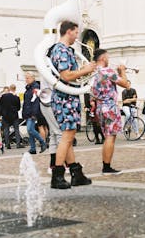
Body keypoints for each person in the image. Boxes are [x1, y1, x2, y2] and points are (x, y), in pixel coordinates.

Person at [49, 21, 96, 189]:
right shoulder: (61, 50)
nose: (77, 36)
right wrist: (86, 70)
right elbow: (66, 76)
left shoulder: (64, 50)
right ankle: (57, 175)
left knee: (68, 137)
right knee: (67, 136)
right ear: (68, 32)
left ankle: (76, 174)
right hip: (65, 98)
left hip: (67, 97)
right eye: (76, 33)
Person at [92, 48, 128, 174]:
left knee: (107, 136)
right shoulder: (107, 71)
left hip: (100, 106)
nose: (108, 60)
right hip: (110, 107)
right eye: (107, 57)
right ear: (103, 58)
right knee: (110, 137)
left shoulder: (94, 72)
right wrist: (122, 71)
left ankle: (106, 165)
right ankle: (106, 167)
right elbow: (126, 84)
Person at [22, 72, 47, 155]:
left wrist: (34, 113)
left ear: (33, 78)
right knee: (30, 131)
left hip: (33, 112)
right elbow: (26, 102)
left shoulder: (35, 87)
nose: (26, 80)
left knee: (30, 129)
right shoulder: (28, 88)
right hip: (28, 112)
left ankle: (43, 143)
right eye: (25, 78)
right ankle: (33, 148)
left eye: (28, 78)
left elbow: (36, 101)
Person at [0, 84, 22, 149]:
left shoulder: (3, 96)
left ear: (9, 89)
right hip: (14, 115)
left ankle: (7, 144)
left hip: (5, 115)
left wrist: (0, 114)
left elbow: (0, 106)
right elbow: (18, 107)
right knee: (16, 129)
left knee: (6, 130)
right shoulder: (16, 97)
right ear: (15, 89)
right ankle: (18, 144)